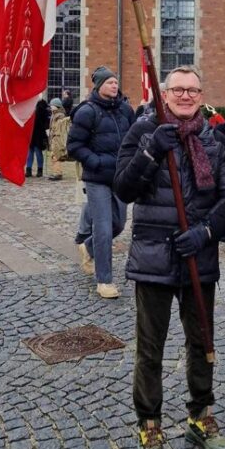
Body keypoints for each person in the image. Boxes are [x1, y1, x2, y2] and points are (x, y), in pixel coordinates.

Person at [114, 64, 225, 449]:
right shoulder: (143, 131)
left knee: (201, 342)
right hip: (153, 256)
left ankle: (200, 416)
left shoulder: (215, 139)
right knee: (150, 348)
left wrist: (206, 232)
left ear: (202, 96)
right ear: (164, 95)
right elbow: (124, 188)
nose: (185, 96)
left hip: (197, 258)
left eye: (193, 90)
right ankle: (149, 425)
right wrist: (152, 150)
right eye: (178, 90)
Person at [67, 67, 134, 298]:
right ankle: (104, 280)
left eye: (116, 82)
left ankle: (88, 246)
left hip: (121, 176)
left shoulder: (125, 109)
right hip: (97, 178)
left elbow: (134, 138)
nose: (114, 86)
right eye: (109, 82)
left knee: (119, 225)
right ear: (98, 86)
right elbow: (74, 146)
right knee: (103, 227)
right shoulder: (87, 111)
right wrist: (94, 161)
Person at [25, 98, 50, 177]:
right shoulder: (29, 107)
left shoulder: (42, 107)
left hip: (39, 134)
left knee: (38, 151)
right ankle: (28, 169)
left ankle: (40, 169)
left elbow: (46, 122)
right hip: (30, 133)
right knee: (30, 152)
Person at [47, 98, 69, 180]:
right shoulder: (54, 114)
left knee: (56, 156)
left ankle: (58, 173)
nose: (51, 107)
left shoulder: (60, 116)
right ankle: (56, 172)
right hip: (54, 137)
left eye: (52, 105)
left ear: (57, 106)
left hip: (57, 138)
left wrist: (53, 132)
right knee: (53, 156)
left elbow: (60, 128)